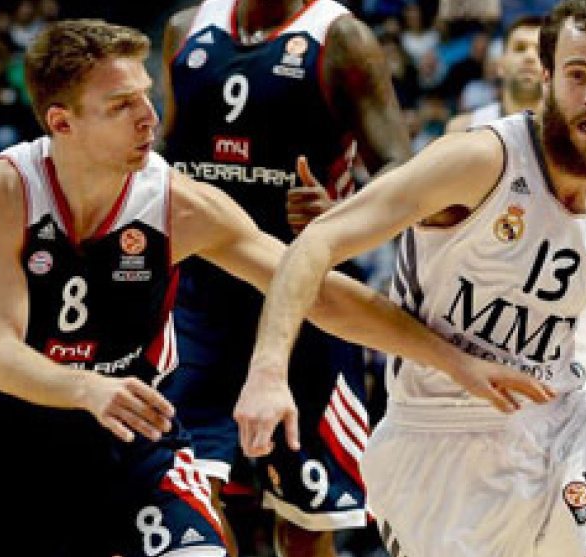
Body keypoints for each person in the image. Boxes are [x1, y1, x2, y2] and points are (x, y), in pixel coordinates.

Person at [0, 19, 547, 557]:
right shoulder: (3, 191)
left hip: (125, 438)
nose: (149, 117)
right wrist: (87, 388)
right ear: (62, 122)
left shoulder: (179, 205)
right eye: (121, 105)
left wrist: (450, 358)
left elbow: (315, 291)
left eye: (146, 95)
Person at [237, 2, 586, 556]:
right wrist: (268, 371)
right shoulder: (480, 159)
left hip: (561, 426)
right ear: (548, 78)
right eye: (578, 75)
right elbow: (316, 242)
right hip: (437, 439)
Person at [158, 0, 411, 555]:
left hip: (305, 297)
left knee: (306, 523)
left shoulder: (341, 39)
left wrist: (342, 214)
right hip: (198, 299)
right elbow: (162, 150)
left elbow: (400, 170)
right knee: (190, 500)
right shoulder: (185, 29)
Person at [447, 13, 586, 430]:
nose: (528, 59)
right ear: (499, 63)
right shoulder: (468, 130)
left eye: (538, 51)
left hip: (568, 313)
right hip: (483, 310)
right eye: (518, 49)